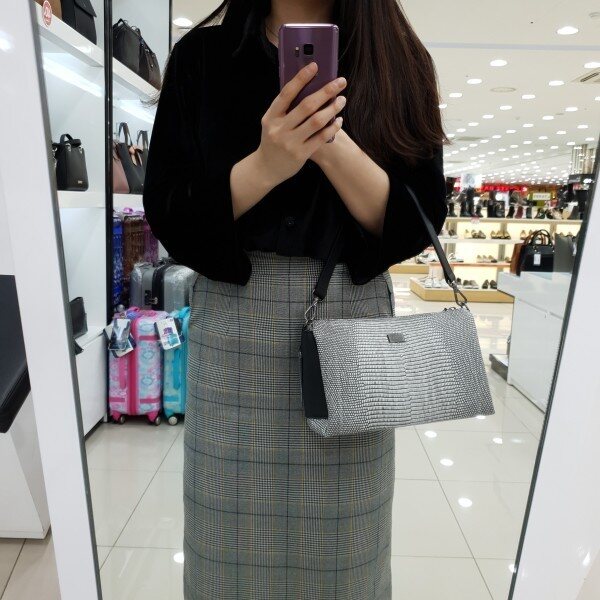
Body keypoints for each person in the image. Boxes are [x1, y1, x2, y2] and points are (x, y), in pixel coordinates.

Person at [143, 0, 447, 597]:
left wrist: (329, 144)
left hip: (354, 327)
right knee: (227, 552)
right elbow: (172, 215)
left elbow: (418, 219)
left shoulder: (398, 59)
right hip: (234, 328)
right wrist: (267, 164)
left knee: (346, 559)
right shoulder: (203, 58)